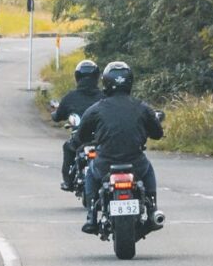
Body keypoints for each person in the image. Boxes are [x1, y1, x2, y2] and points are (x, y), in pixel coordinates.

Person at [70, 60, 165, 233]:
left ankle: (92, 216)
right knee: (148, 170)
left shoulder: (96, 109)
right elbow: (158, 133)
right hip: (136, 163)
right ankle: (153, 210)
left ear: (106, 82)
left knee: (90, 174)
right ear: (130, 82)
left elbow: (81, 136)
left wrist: (82, 140)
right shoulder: (142, 107)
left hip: (105, 164)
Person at [49, 57, 102, 191]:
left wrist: (54, 114)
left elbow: (57, 116)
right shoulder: (104, 97)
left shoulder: (70, 97)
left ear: (77, 77)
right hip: (101, 139)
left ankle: (68, 181)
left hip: (80, 139)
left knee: (68, 148)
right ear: (97, 77)